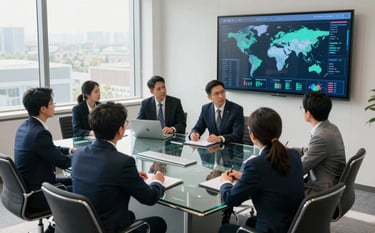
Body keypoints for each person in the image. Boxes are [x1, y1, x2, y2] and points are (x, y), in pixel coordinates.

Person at [72, 102, 167, 233]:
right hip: (108, 228)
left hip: (84, 225)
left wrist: (132, 176)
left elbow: (102, 176)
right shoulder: (123, 162)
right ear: (120, 130)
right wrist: (157, 181)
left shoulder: (78, 153)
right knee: (159, 223)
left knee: (131, 215)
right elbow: (150, 198)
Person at [219, 107, 305, 233]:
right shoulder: (293, 155)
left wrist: (225, 182)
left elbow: (231, 199)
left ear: (252, 135)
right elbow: (273, 179)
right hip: (294, 224)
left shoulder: (255, 165)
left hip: (274, 228)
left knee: (225, 229)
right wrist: (244, 176)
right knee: (250, 222)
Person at [14, 87, 75, 233]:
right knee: (83, 189)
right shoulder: (40, 133)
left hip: (28, 188)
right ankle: (56, 228)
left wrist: (70, 150)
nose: (54, 105)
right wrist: (85, 155)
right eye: (52, 103)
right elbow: (63, 163)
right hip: (37, 193)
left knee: (77, 180)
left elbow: (49, 149)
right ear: (43, 108)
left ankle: (54, 225)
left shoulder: (26, 126)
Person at [295, 91, 346, 194]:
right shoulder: (331, 128)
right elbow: (311, 151)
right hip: (332, 186)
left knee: (276, 191)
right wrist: (288, 150)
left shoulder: (321, 137)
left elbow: (299, 169)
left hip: (322, 192)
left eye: (302, 108)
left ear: (308, 113)